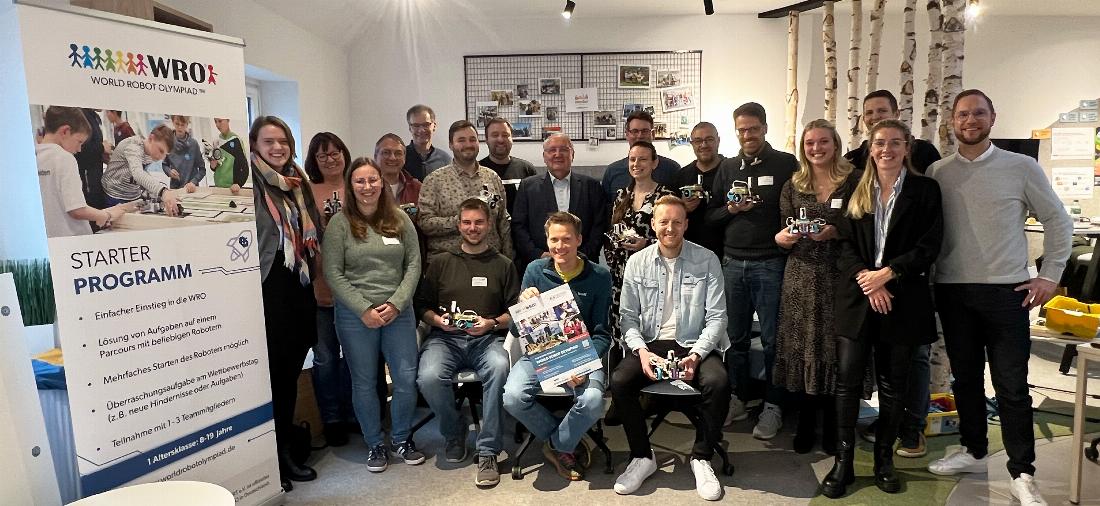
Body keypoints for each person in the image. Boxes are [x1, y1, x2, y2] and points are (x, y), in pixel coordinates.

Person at [927, 89, 1071, 505]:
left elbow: (1058, 221)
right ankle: (974, 450)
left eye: (978, 113)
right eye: (962, 114)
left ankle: (1022, 472)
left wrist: (1050, 277)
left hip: (1007, 294)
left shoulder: (1021, 167)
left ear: (992, 118)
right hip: (953, 291)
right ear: (952, 121)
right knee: (965, 380)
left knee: (1011, 386)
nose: (970, 120)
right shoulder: (938, 172)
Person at [821, 118, 943, 498]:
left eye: (894, 143)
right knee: (847, 383)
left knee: (893, 386)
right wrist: (867, 279)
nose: (886, 149)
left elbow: (930, 245)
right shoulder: (854, 188)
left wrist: (887, 275)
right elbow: (842, 243)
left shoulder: (925, 190)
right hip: (857, 298)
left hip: (902, 299)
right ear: (870, 149)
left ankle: (883, 461)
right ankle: (842, 461)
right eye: (879, 143)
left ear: (907, 148)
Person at [610, 196, 729, 501]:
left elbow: (717, 318)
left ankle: (701, 457)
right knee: (620, 381)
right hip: (652, 343)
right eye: (663, 221)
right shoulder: (637, 262)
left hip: (695, 342)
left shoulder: (707, 259)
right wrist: (642, 352)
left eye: (677, 222)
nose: (670, 228)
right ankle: (642, 456)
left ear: (686, 224)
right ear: (653, 224)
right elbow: (628, 318)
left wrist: (697, 355)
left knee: (718, 382)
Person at [323, 157, 423, 474]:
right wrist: (363, 309)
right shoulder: (339, 224)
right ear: (350, 186)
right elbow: (333, 273)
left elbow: (414, 265)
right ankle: (375, 443)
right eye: (360, 181)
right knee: (364, 382)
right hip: (356, 317)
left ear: (382, 182)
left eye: (372, 180)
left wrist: (397, 303)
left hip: (398, 312)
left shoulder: (400, 219)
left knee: (406, 378)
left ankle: (402, 438)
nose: (367, 187)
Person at [705, 102, 798, 438]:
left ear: (764, 128)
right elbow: (711, 215)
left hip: (770, 263)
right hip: (732, 263)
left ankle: (773, 405)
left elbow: (796, 209)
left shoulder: (786, 163)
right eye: (742, 130)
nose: (748, 135)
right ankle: (738, 398)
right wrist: (731, 210)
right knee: (736, 340)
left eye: (753, 129)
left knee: (773, 341)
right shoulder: (728, 167)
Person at [414, 198, 517, 488]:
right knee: (429, 377)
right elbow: (422, 306)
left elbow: (515, 312)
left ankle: (488, 450)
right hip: (445, 339)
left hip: (487, 340)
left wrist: (491, 323)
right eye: (467, 222)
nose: (473, 228)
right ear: (459, 225)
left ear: (489, 225)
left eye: (479, 222)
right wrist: (438, 321)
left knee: (499, 368)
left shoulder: (503, 265)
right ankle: (454, 432)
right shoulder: (440, 263)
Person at [503, 211, 613, 482]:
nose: (560, 246)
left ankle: (556, 445)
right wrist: (523, 305)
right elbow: (516, 331)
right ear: (547, 241)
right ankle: (566, 441)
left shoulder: (599, 276)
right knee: (513, 397)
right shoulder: (534, 270)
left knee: (593, 401)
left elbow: (602, 334)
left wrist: (581, 365)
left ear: (579, 240)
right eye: (554, 240)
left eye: (566, 239)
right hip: (540, 353)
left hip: (581, 353)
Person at [772, 119, 859, 455]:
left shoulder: (854, 180)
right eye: (810, 143)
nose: (816, 148)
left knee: (835, 349)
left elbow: (863, 225)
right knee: (804, 347)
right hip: (801, 277)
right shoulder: (793, 184)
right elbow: (783, 229)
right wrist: (783, 238)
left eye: (823, 142)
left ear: (835, 144)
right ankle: (806, 422)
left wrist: (835, 231)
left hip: (840, 276)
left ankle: (835, 425)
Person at [250, 116, 324, 490]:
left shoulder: (297, 182)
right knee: (271, 377)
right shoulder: (247, 184)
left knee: (289, 375)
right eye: (269, 141)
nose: (277, 147)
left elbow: (313, 233)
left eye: (283, 141)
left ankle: (283, 450)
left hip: (298, 289)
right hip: (267, 292)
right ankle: (273, 459)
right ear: (254, 145)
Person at [303, 132, 356, 448]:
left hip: (355, 289)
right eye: (322, 155)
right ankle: (332, 419)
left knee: (354, 357)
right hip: (320, 287)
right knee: (324, 358)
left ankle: (353, 414)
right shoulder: (305, 191)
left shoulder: (358, 186)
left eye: (335, 152)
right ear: (314, 160)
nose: (330, 159)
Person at [605, 141, 676, 349]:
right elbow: (612, 230)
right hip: (621, 275)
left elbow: (673, 236)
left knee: (649, 328)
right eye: (632, 159)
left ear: (654, 163)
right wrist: (612, 259)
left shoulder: (665, 197)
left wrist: (647, 244)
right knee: (622, 328)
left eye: (643, 159)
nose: (636, 164)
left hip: (653, 274)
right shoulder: (621, 195)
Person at [418, 120, 513, 258]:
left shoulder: (492, 177)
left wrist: (508, 261)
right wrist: (462, 222)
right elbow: (425, 223)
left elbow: (503, 221)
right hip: (449, 261)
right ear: (451, 144)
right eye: (461, 140)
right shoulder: (434, 180)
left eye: (472, 139)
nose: (468, 145)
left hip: (490, 260)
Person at [512, 133, 607, 269]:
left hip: (584, 265)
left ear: (572, 154)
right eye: (552, 150)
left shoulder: (591, 186)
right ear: (544, 156)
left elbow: (600, 225)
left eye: (563, 149)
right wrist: (537, 255)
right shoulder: (528, 187)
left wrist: (582, 256)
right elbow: (519, 226)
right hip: (541, 265)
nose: (557, 154)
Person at [36, 106, 133, 238]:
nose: (79, 149)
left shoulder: (33, 157)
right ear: (65, 131)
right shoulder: (64, 158)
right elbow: (76, 209)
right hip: (73, 238)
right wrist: (106, 215)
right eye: (79, 142)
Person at [845, 90, 941, 174]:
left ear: (896, 114)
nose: (875, 117)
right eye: (869, 113)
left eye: (882, 111)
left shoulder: (925, 152)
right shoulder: (852, 159)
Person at [601, 111, 681, 201]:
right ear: (627, 135)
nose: (639, 136)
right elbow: (605, 207)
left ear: (653, 134)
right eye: (634, 131)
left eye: (645, 131)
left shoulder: (672, 169)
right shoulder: (612, 171)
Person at [102, 124, 179, 216]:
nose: (162, 157)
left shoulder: (151, 153)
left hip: (132, 196)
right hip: (114, 195)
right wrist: (163, 192)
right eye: (161, 150)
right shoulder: (133, 146)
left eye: (165, 154)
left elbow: (142, 174)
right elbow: (138, 173)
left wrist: (159, 194)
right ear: (151, 138)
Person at [677, 122, 726, 258]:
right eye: (698, 141)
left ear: (718, 141)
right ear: (692, 144)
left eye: (709, 139)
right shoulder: (681, 175)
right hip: (689, 252)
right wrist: (683, 207)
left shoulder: (731, 170)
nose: (704, 145)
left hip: (726, 252)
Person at [479, 117, 536, 214]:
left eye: (505, 135)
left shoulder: (527, 169)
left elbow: (535, 205)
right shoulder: (477, 170)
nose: (500, 139)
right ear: (486, 139)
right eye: (495, 135)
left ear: (512, 138)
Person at [404, 104, 452, 181]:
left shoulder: (445, 160)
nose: (421, 130)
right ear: (410, 128)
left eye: (426, 124)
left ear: (434, 126)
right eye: (416, 125)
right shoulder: (400, 157)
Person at [73, 108, 107, 210]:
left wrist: (102, 153)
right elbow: (82, 149)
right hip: (87, 176)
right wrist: (102, 147)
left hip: (96, 173)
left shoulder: (93, 116)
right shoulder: (82, 116)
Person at [375, 133, 422, 206]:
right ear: (375, 157)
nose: (392, 158)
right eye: (386, 152)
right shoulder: (367, 187)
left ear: (404, 158)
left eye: (398, 153)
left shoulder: (417, 189)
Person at [163, 115, 204, 193]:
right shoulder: (169, 143)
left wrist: (194, 182)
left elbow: (202, 170)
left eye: (182, 124)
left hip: (191, 190)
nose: (180, 127)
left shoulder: (194, 144)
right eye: (177, 124)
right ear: (173, 122)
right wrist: (169, 172)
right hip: (175, 190)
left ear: (187, 124)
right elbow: (164, 165)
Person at [210, 118, 248, 193]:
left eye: (220, 121)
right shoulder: (216, 140)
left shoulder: (236, 140)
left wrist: (239, 184)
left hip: (232, 189)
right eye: (215, 121)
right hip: (218, 187)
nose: (217, 125)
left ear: (228, 120)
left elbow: (244, 167)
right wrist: (212, 166)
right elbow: (217, 166)